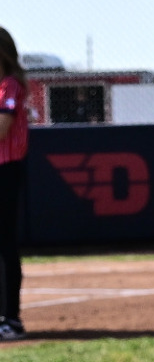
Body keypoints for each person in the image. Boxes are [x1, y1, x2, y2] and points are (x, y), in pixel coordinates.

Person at [0, 27, 29, 341]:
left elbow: (2, 128)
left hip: (6, 169)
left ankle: (11, 318)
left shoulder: (10, 85)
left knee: (5, 243)